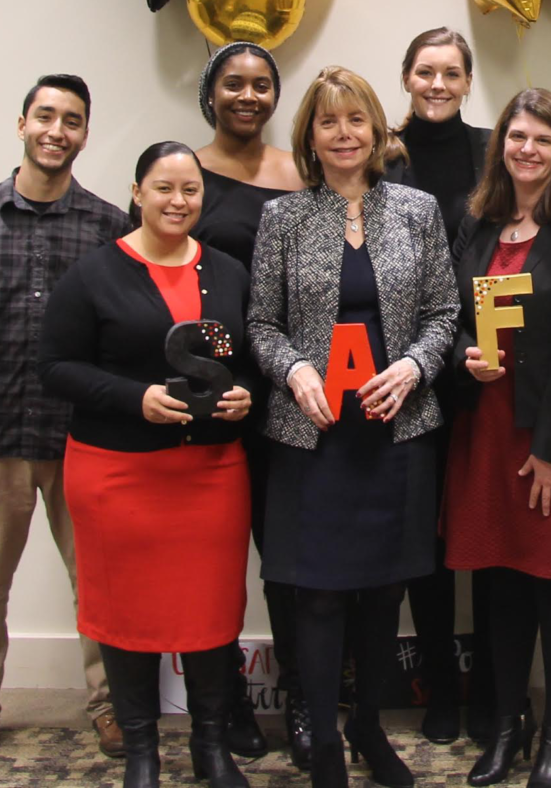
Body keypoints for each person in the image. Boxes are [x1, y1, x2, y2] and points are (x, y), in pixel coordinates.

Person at [248, 66, 459, 788]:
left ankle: (369, 726)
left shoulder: (418, 211)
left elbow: (444, 313)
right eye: (328, 121)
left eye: (355, 119)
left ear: (377, 130)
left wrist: (413, 367)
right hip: (315, 437)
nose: (343, 134)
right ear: (310, 136)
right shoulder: (282, 218)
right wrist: (294, 371)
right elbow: (261, 324)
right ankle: (326, 747)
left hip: (394, 432)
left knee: (384, 591)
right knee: (318, 594)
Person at [39, 142, 255, 788]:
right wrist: (136, 399)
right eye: (163, 188)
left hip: (212, 474)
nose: (178, 201)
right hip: (118, 476)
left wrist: (248, 394)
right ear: (137, 194)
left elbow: (250, 357)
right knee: (124, 613)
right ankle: (141, 751)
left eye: (190, 189)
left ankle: (210, 746)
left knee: (212, 611)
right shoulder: (93, 274)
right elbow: (56, 367)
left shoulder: (228, 272)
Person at [0, 74, 127, 771]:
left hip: (80, 436)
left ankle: (111, 703)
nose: (57, 131)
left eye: (71, 120)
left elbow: (115, 327)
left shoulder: (108, 226)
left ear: (85, 134)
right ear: (23, 124)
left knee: (98, 583)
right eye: (45, 116)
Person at [443, 89, 551, 788]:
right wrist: (464, 351)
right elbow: (448, 310)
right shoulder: (478, 218)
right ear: (501, 144)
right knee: (501, 584)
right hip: (484, 430)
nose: (528, 149)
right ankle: (508, 724)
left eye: (544, 139)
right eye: (518, 136)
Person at [194, 42, 309, 767]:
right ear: (210, 93)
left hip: (291, 391)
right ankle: (224, 702)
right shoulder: (184, 172)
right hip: (210, 393)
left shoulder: (301, 173)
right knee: (211, 557)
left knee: (288, 556)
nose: (248, 95)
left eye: (261, 84)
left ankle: (303, 700)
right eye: (233, 83)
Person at [384, 27, 493, 744]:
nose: (438, 85)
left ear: (467, 81)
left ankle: (492, 690)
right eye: (426, 72)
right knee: (423, 537)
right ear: (406, 77)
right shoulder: (383, 152)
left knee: (483, 530)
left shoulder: (494, 150)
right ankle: (441, 691)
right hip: (409, 367)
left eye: (451, 73)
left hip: (483, 365)